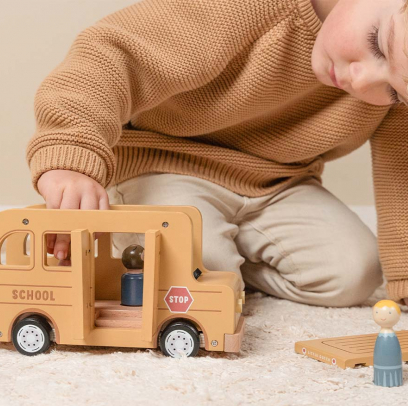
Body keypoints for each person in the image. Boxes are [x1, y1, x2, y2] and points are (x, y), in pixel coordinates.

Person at [27, 0, 408, 307]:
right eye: (376, 43)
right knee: (203, 275)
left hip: (278, 183)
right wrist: (71, 152)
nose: (364, 80)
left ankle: (227, 258)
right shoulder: (246, 8)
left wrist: (404, 275)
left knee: (355, 272)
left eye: (393, 91)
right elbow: (113, 56)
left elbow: (400, 171)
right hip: (165, 165)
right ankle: (171, 249)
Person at [372, 300, 403, 387]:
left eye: (390, 313)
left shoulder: (390, 337)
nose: (383, 318)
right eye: (377, 312)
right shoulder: (383, 337)